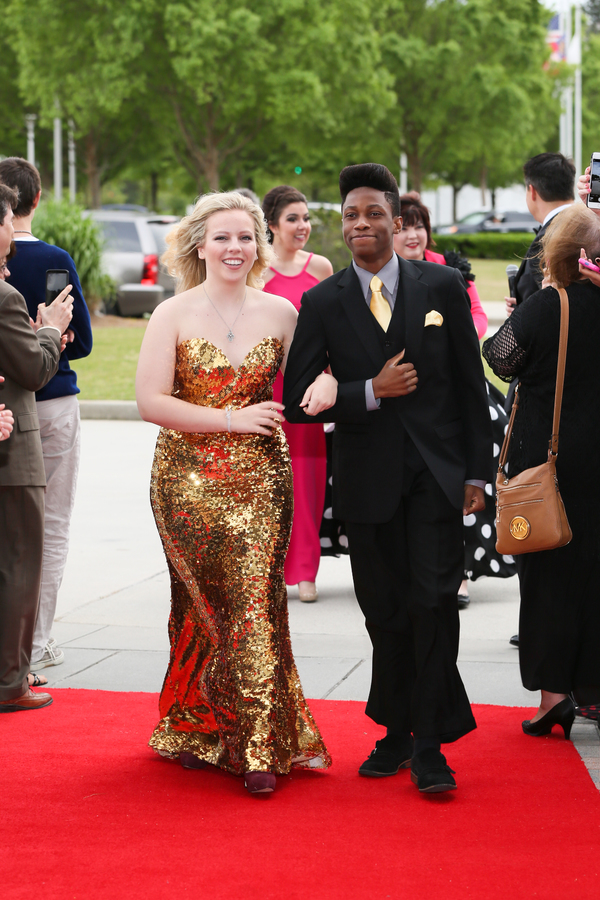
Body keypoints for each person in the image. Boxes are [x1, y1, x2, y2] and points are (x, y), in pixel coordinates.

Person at [283, 164, 492, 793]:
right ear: (341, 226)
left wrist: (479, 473)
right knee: (386, 613)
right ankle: (397, 730)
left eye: (374, 213)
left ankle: (429, 746)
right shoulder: (323, 302)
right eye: (351, 215)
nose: (361, 224)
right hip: (367, 482)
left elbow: (468, 385)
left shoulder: (444, 286)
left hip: (436, 476)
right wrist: (367, 391)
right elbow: (297, 398)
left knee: (432, 602)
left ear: (397, 221)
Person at [136, 190, 333, 795]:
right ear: (200, 243)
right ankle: (197, 724)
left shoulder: (281, 313)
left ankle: (258, 746)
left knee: (252, 604)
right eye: (222, 237)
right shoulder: (171, 313)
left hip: (262, 482)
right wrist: (227, 420)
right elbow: (150, 402)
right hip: (185, 481)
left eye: (245, 237)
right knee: (198, 607)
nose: (234, 247)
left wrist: (326, 382)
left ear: (259, 244)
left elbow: (309, 380)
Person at [483, 203, 600, 739]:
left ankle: (555, 697)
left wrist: (526, 311)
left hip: (551, 462)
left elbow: (500, 356)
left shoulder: (550, 304)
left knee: (551, 575)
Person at [393, 193, 516, 607]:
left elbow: (478, 315)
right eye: (404, 226)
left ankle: (460, 571)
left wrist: (458, 340)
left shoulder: (451, 270)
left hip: (458, 394)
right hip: (403, 399)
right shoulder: (378, 275)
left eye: (418, 225)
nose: (412, 234)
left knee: (463, 480)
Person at [0, 157, 93, 674]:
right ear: (34, 201)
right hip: (49, 400)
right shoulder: (55, 258)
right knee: (48, 528)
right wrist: (50, 333)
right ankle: (33, 646)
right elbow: (83, 344)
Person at [503, 153, 575, 648]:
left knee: (544, 541)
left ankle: (551, 664)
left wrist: (522, 315)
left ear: (531, 190)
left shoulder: (547, 244)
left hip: (547, 419)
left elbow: (505, 354)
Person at [262, 185, 333, 602]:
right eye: (293, 218)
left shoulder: (321, 268)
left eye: (306, 218)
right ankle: (270, 571)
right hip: (266, 391)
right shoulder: (258, 271)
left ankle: (306, 572)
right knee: (271, 484)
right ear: (271, 225)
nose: (302, 226)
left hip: (309, 390)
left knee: (307, 483)